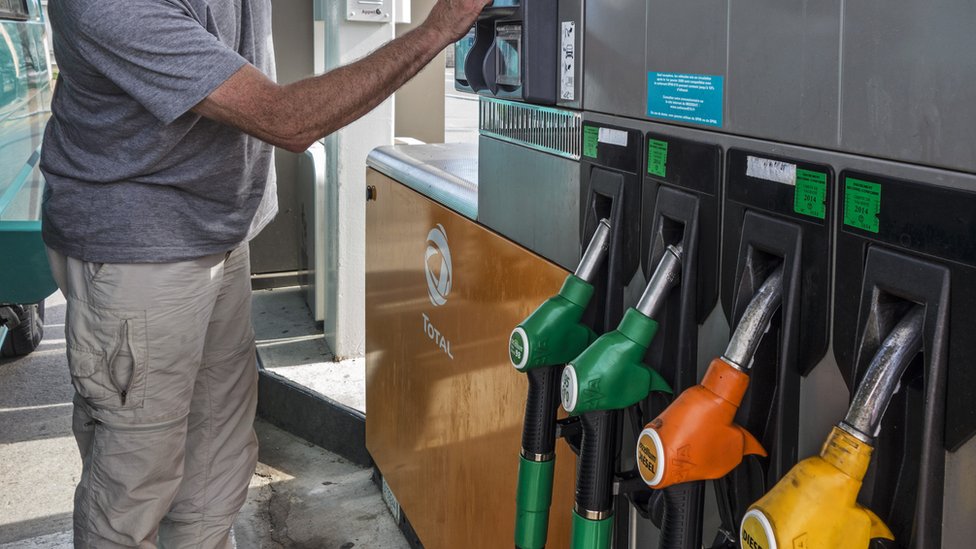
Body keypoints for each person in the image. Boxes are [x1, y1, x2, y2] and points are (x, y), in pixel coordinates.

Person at [39, 0, 490, 547]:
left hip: (221, 236)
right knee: (134, 482)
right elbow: (285, 118)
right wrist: (436, 30)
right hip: (137, 256)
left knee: (218, 457)